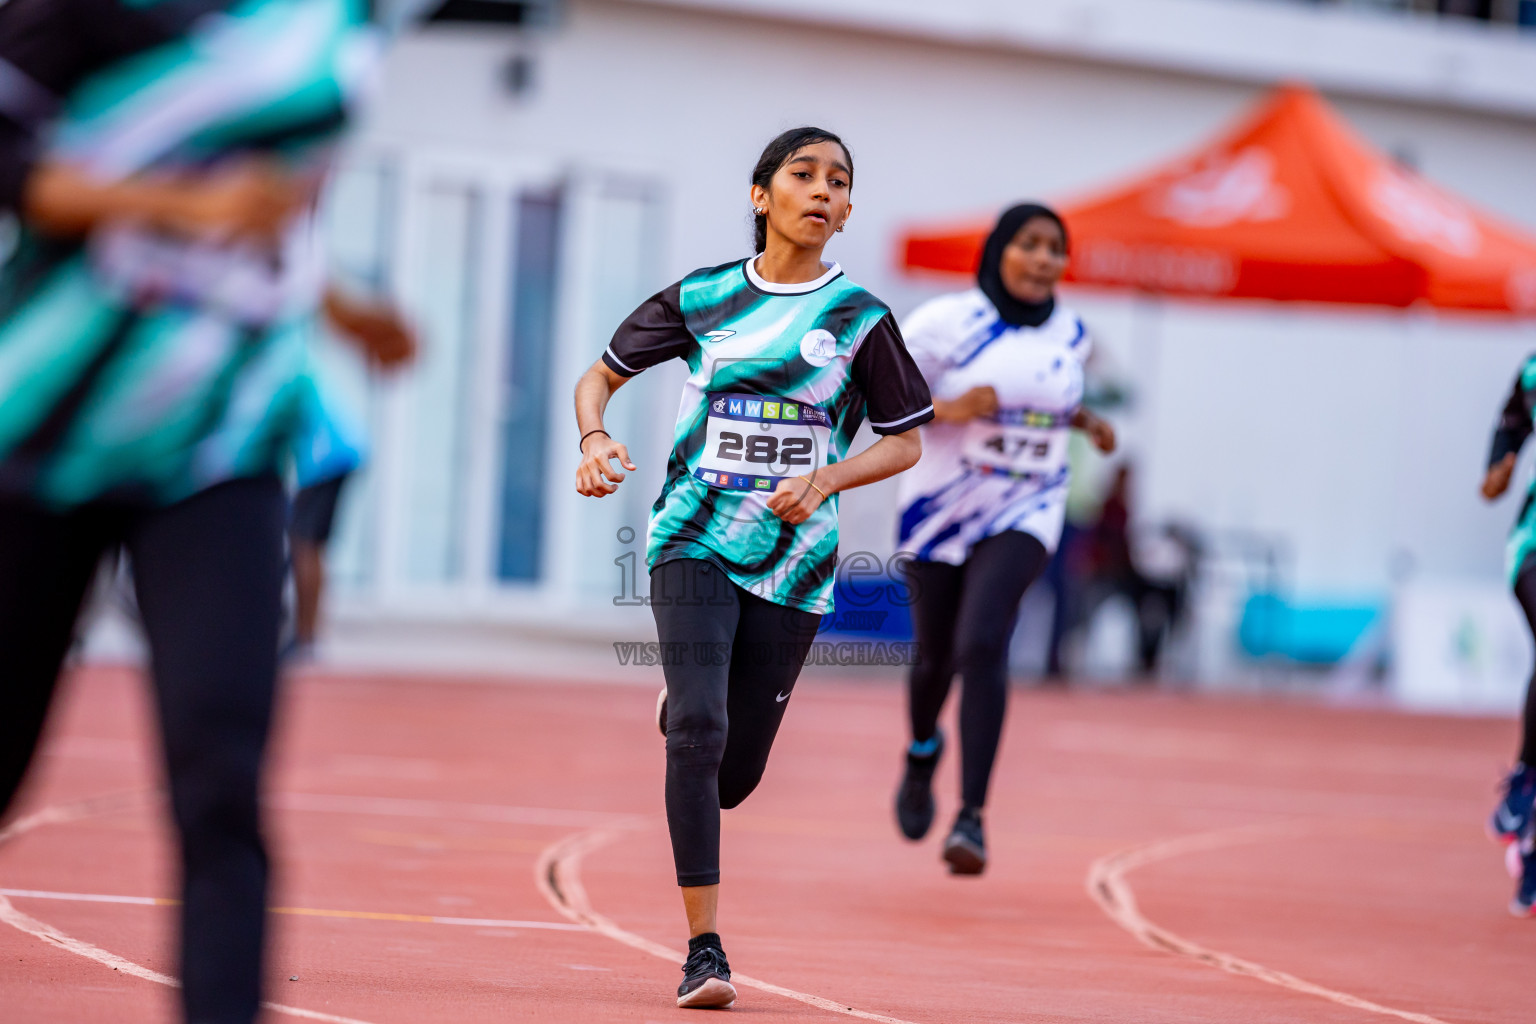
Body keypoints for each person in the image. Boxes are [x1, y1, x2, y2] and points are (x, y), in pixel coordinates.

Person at [0, 2, 412, 1021]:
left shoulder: (335, 24)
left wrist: (338, 298)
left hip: (222, 439)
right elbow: (22, 176)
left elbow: (269, 198)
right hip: (49, 421)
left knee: (222, 768)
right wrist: (181, 208)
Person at [573, 127, 933, 1009]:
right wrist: (593, 438)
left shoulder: (860, 321)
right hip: (691, 537)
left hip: (795, 566)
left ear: (848, 211)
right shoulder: (705, 298)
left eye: (838, 180)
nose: (821, 189)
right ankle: (705, 950)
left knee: (733, 776)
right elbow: (599, 377)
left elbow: (907, 441)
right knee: (700, 730)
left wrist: (827, 479)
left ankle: (688, 708)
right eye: (802, 174)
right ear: (760, 195)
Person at [892, 203, 1116, 875]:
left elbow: (1044, 394)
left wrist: (1084, 422)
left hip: (1029, 503)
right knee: (935, 658)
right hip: (941, 504)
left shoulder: (1075, 333)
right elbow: (880, 400)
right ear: (999, 251)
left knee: (983, 642)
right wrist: (950, 408)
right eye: (1031, 245)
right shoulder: (943, 323)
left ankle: (971, 818)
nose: (1045, 259)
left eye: (1056, 249)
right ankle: (921, 751)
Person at [287, 292, 417, 659]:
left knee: (304, 542)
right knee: (306, 541)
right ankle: (305, 633)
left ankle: (307, 637)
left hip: (332, 456)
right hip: (339, 452)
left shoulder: (289, 361)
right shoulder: (297, 356)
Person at [1481, 352, 1536, 915]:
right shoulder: (1535, 367)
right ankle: (1526, 778)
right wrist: (1501, 462)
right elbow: (1513, 415)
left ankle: (1530, 848)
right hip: (1534, 545)